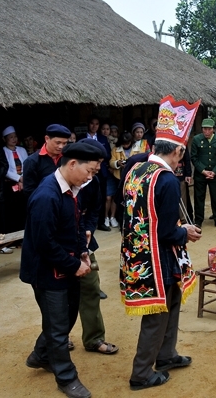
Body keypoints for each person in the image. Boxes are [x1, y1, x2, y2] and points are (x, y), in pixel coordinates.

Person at [120, 104, 202, 391]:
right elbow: (167, 231)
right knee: (157, 315)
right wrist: (185, 232)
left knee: (172, 303)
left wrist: (176, 229)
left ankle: (166, 356)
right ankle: (141, 373)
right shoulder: (166, 180)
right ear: (178, 151)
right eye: (183, 153)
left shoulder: (137, 168)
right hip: (158, 258)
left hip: (137, 253)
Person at [20, 142, 102, 398]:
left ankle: (40, 355)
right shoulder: (47, 195)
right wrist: (74, 265)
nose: (90, 178)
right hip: (47, 272)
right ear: (72, 163)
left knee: (66, 319)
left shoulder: (72, 189)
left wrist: (83, 252)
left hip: (67, 265)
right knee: (58, 327)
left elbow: (77, 225)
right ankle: (66, 378)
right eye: (89, 171)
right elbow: (45, 244)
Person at [75, 139, 119, 355]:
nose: (99, 169)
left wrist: (89, 228)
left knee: (91, 288)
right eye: (96, 164)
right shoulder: (57, 183)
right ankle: (55, 340)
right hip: (64, 246)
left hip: (86, 244)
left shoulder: (95, 181)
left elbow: (94, 209)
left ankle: (94, 339)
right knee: (60, 296)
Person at [191, 118, 216, 229]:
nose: (206, 132)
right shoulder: (196, 139)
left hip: (215, 175)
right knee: (199, 198)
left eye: (209, 129)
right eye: (204, 129)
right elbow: (194, 157)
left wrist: (215, 172)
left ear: (213, 129)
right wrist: (203, 171)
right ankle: (198, 220)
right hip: (200, 174)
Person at [22, 124, 71, 199]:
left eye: (64, 143)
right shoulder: (32, 161)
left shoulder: (68, 158)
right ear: (47, 139)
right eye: (58, 143)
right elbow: (29, 191)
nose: (61, 146)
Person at [85, 117, 112, 232]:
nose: (94, 126)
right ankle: (86, 223)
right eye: (92, 123)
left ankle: (101, 222)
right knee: (86, 196)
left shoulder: (102, 138)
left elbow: (108, 155)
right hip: (85, 171)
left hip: (101, 171)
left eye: (96, 124)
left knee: (100, 196)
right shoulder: (82, 137)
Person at [2, 126, 29, 233]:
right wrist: (19, 178)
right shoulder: (2, 151)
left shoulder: (22, 150)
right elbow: (5, 169)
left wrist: (23, 179)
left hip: (24, 183)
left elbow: (27, 165)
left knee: (25, 209)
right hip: (10, 184)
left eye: (15, 136)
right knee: (13, 211)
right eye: (10, 137)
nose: (14, 139)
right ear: (4, 139)